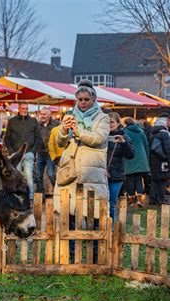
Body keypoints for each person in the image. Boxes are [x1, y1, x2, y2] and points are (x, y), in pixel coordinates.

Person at [53, 79, 109, 263]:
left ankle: (94, 258)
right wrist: (63, 129)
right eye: (80, 99)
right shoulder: (70, 115)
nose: (83, 102)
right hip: (71, 171)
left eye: (86, 99)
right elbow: (60, 143)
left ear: (93, 98)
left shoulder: (103, 118)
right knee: (69, 214)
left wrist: (77, 132)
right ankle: (68, 256)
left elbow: (98, 139)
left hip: (92, 172)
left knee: (92, 216)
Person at [4, 103, 41, 200]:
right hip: (16, 153)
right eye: (23, 108)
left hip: (28, 152)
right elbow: (6, 138)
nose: (25, 110)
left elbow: (38, 138)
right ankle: (18, 196)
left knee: (29, 174)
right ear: (19, 109)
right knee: (16, 175)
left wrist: (33, 151)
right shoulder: (12, 121)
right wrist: (11, 151)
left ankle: (30, 196)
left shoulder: (33, 121)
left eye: (26, 108)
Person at [106, 112, 134, 222]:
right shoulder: (101, 136)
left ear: (118, 123)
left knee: (112, 203)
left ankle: (111, 229)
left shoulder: (124, 136)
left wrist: (124, 143)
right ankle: (100, 228)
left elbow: (131, 155)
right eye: (107, 122)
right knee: (100, 203)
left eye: (112, 122)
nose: (109, 124)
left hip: (116, 175)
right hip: (100, 175)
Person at [123, 117, 150, 207]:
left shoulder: (125, 132)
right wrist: (147, 159)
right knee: (139, 179)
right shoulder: (141, 132)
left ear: (126, 123)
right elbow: (146, 146)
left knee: (130, 180)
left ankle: (131, 200)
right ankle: (139, 200)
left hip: (129, 158)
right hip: (142, 159)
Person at [37, 107, 60, 197]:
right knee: (38, 175)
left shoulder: (56, 124)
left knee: (51, 174)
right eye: (41, 114)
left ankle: (57, 192)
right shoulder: (38, 125)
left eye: (44, 114)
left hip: (51, 153)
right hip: (40, 152)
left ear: (49, 115)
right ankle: (41, 196)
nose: (42, 116)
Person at [149, 117, 170, 205]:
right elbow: (168, 149)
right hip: (163, 161)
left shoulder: (152, 133)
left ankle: (153, 199)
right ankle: (161, 199)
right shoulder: (164, 134)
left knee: (154, 180)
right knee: (162, 180)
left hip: (154, 160)